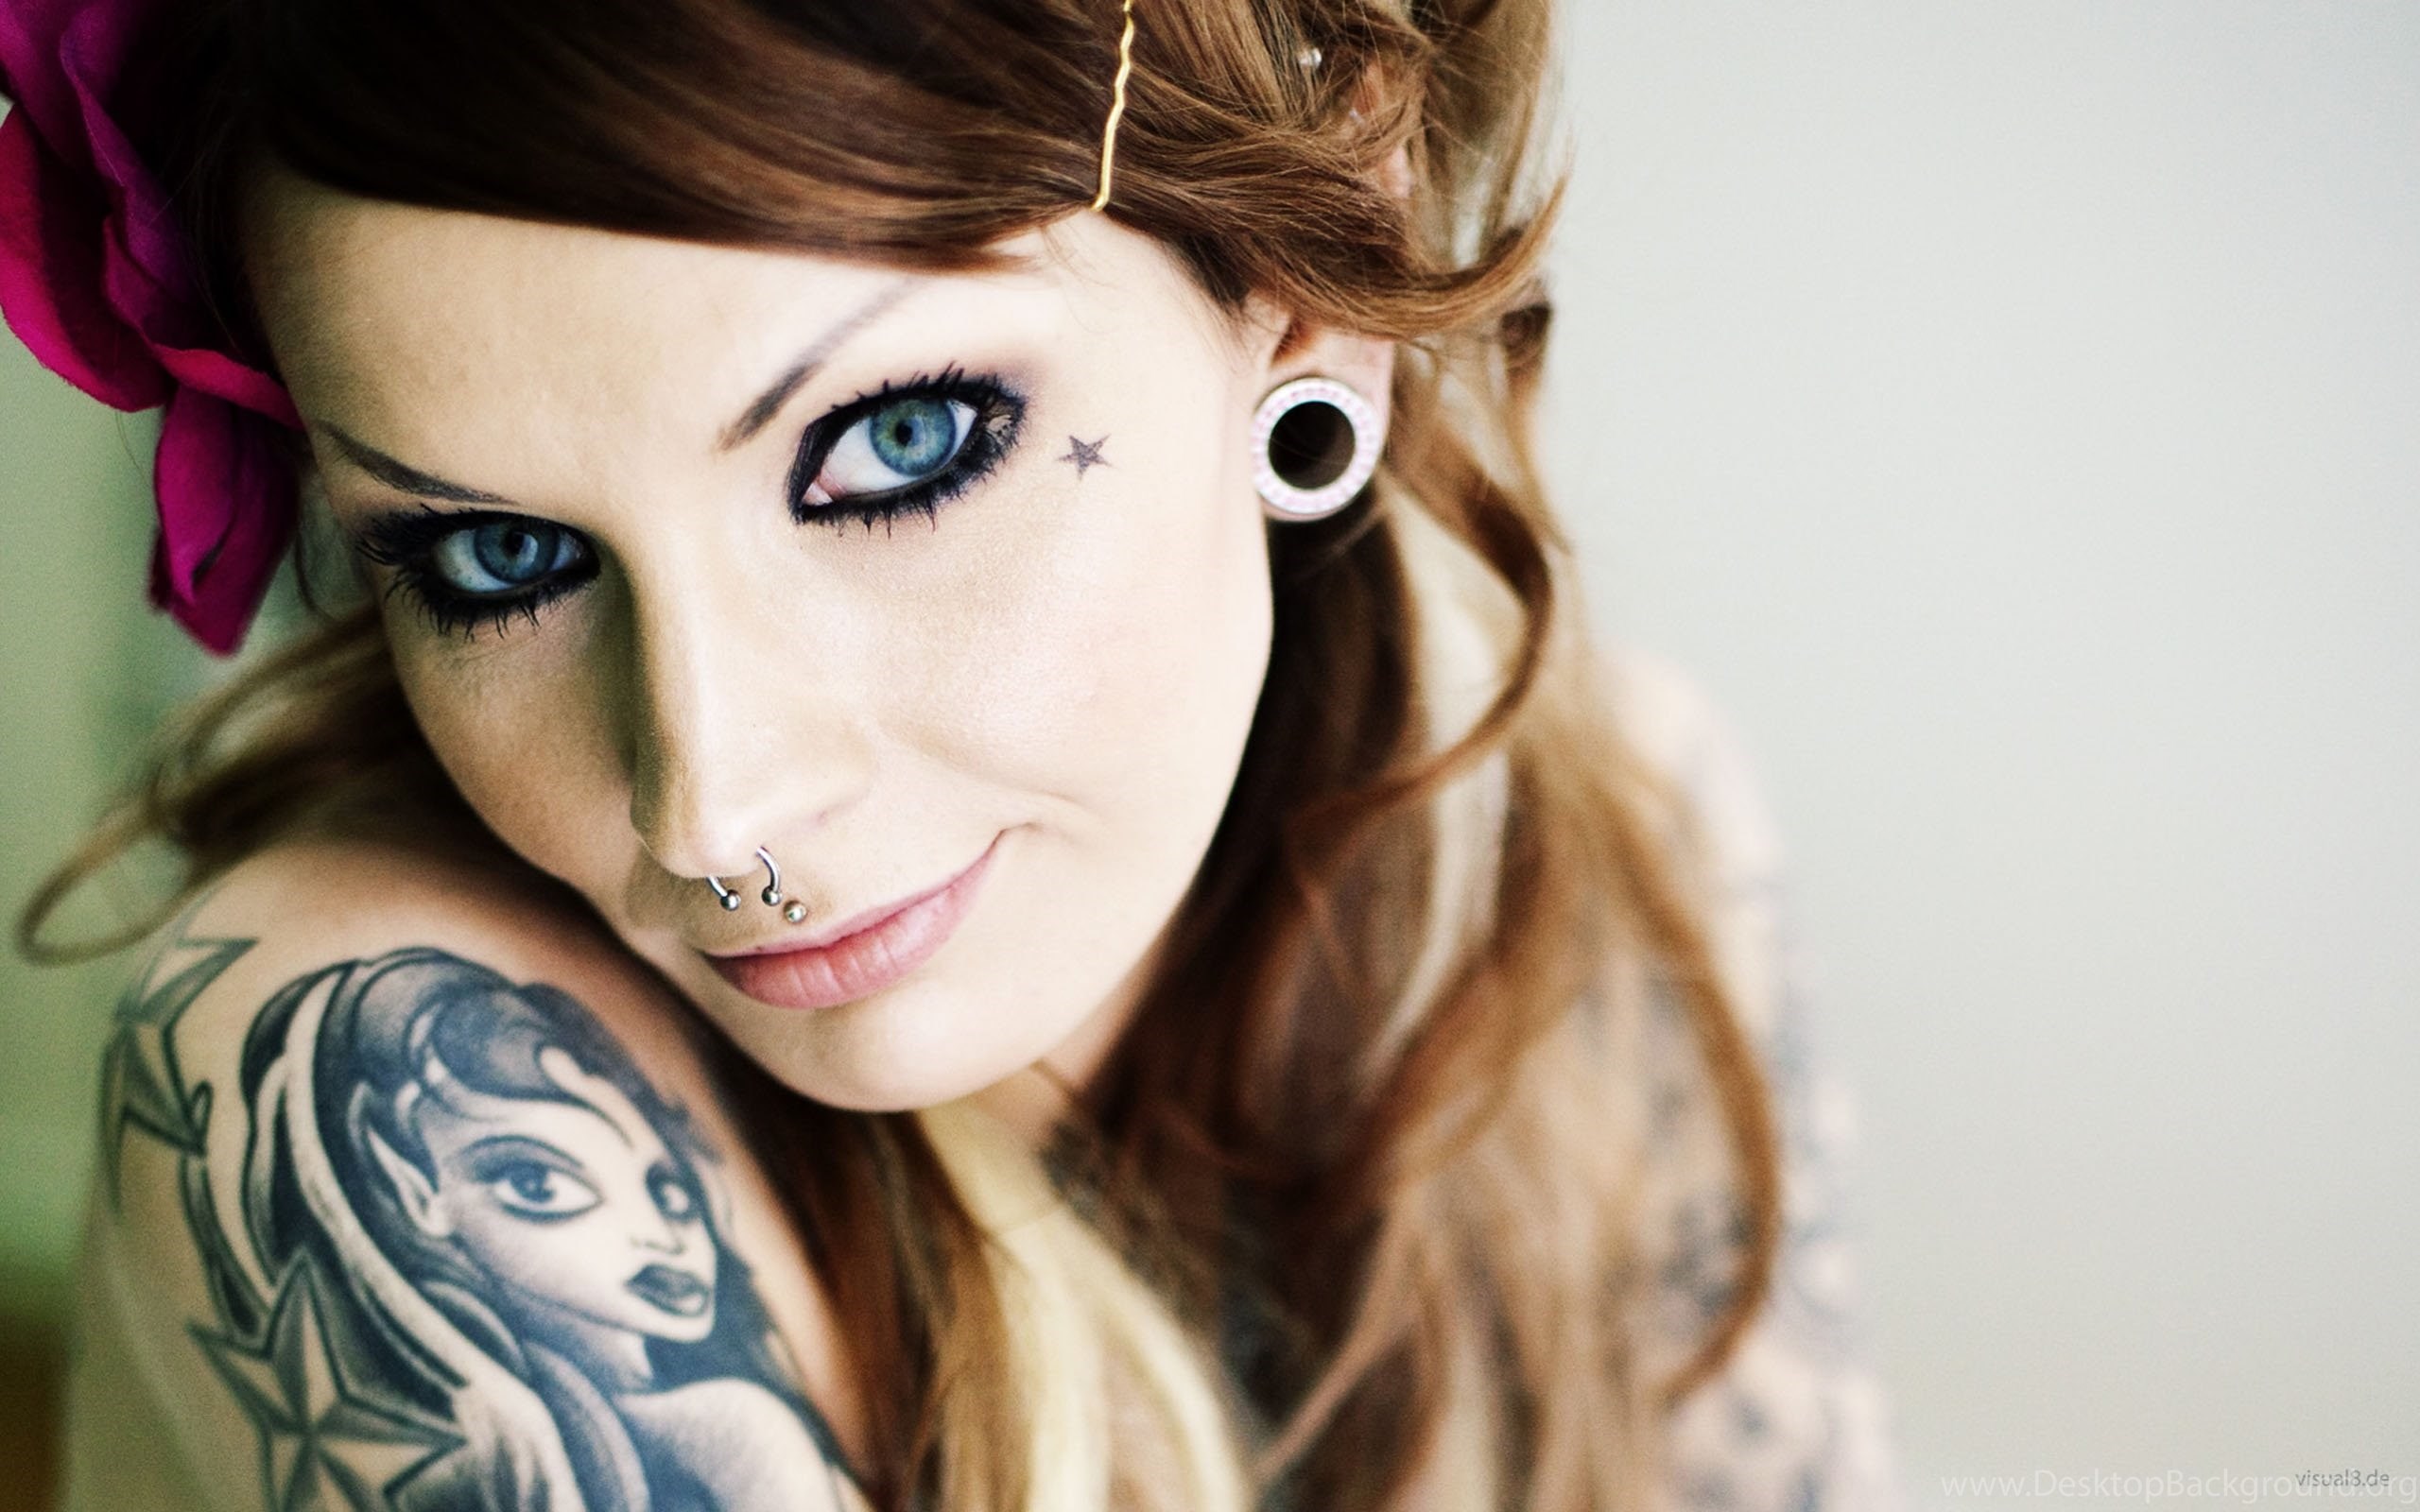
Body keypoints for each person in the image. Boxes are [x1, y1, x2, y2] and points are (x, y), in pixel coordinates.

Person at [2, 1, 1903, 1509]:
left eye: (895, 446)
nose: (712, 806)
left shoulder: (1612, 841)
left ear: (1302, 288)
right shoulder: (378, 1085)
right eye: (498, 559)